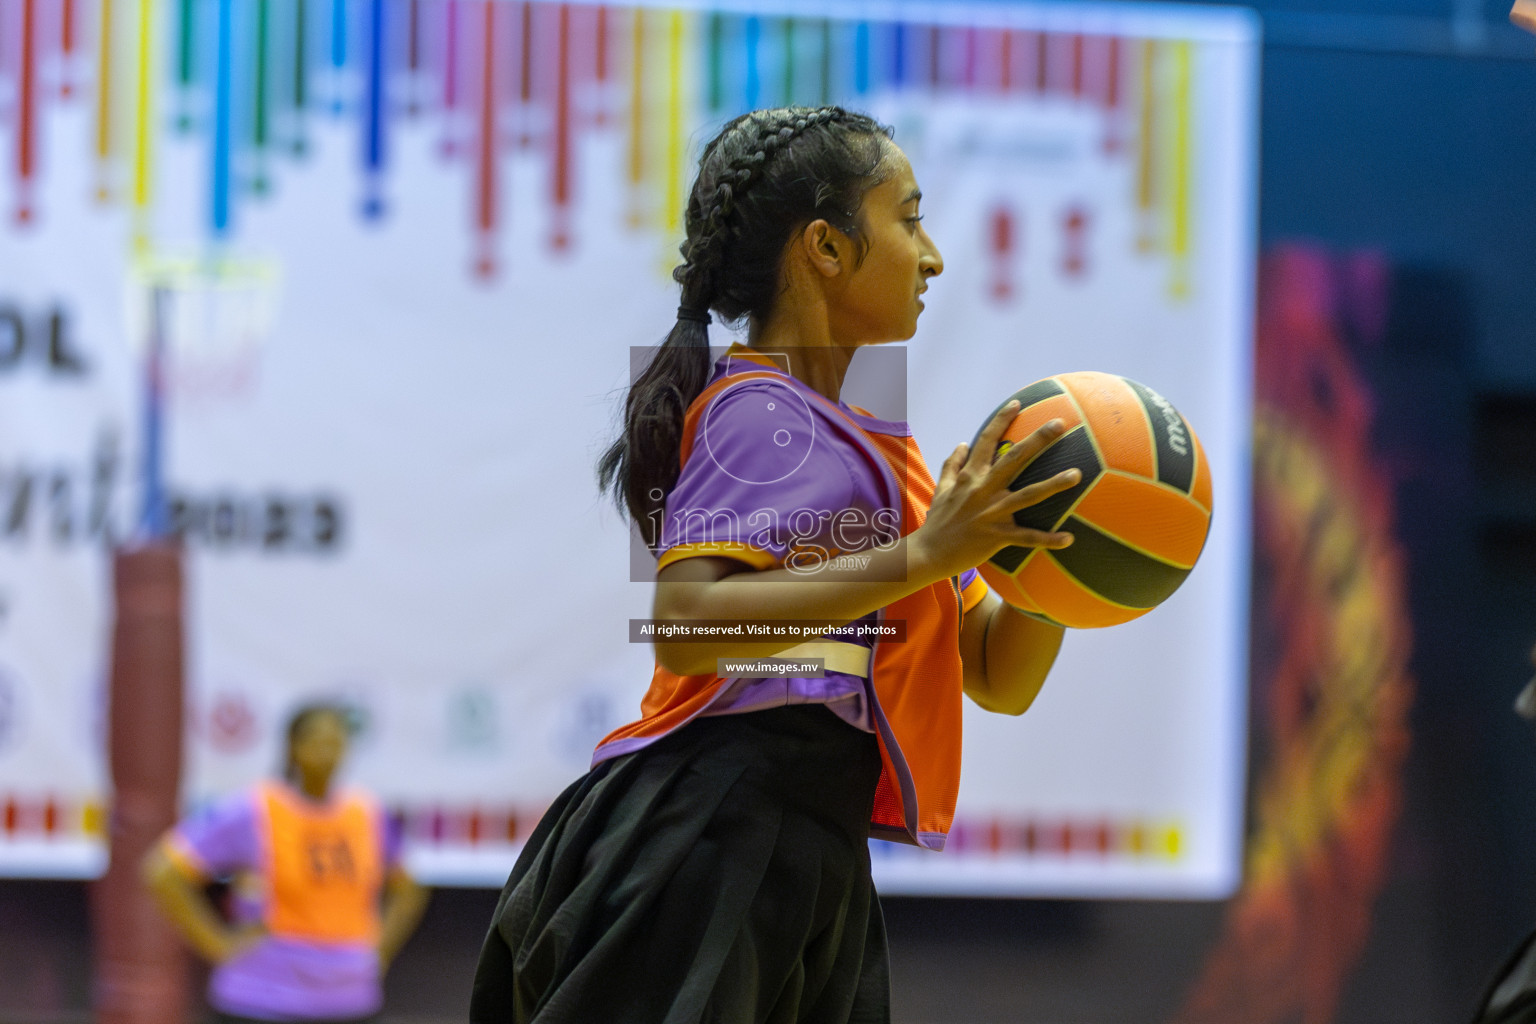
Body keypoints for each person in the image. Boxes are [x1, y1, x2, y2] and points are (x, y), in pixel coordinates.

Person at [470, 105, 1081, 1024]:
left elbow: (999, 673)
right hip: (711, 828)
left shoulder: (882, 447)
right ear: (826, 249)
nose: (934, 256)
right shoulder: (757, 410)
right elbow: (687, 627)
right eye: (908, 219)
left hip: (808, 841)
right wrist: (926, 554)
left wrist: (1068, 568)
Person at [143, 703, 430, 1024]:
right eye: (317, 741)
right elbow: (164, 872)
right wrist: (218, 945)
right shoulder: (253, 809)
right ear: (293, 746)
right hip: (261, 996)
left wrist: (379, 950)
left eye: (336, 742)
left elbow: (409, 889)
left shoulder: (366, 812)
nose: (327, 751)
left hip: (347, 997)